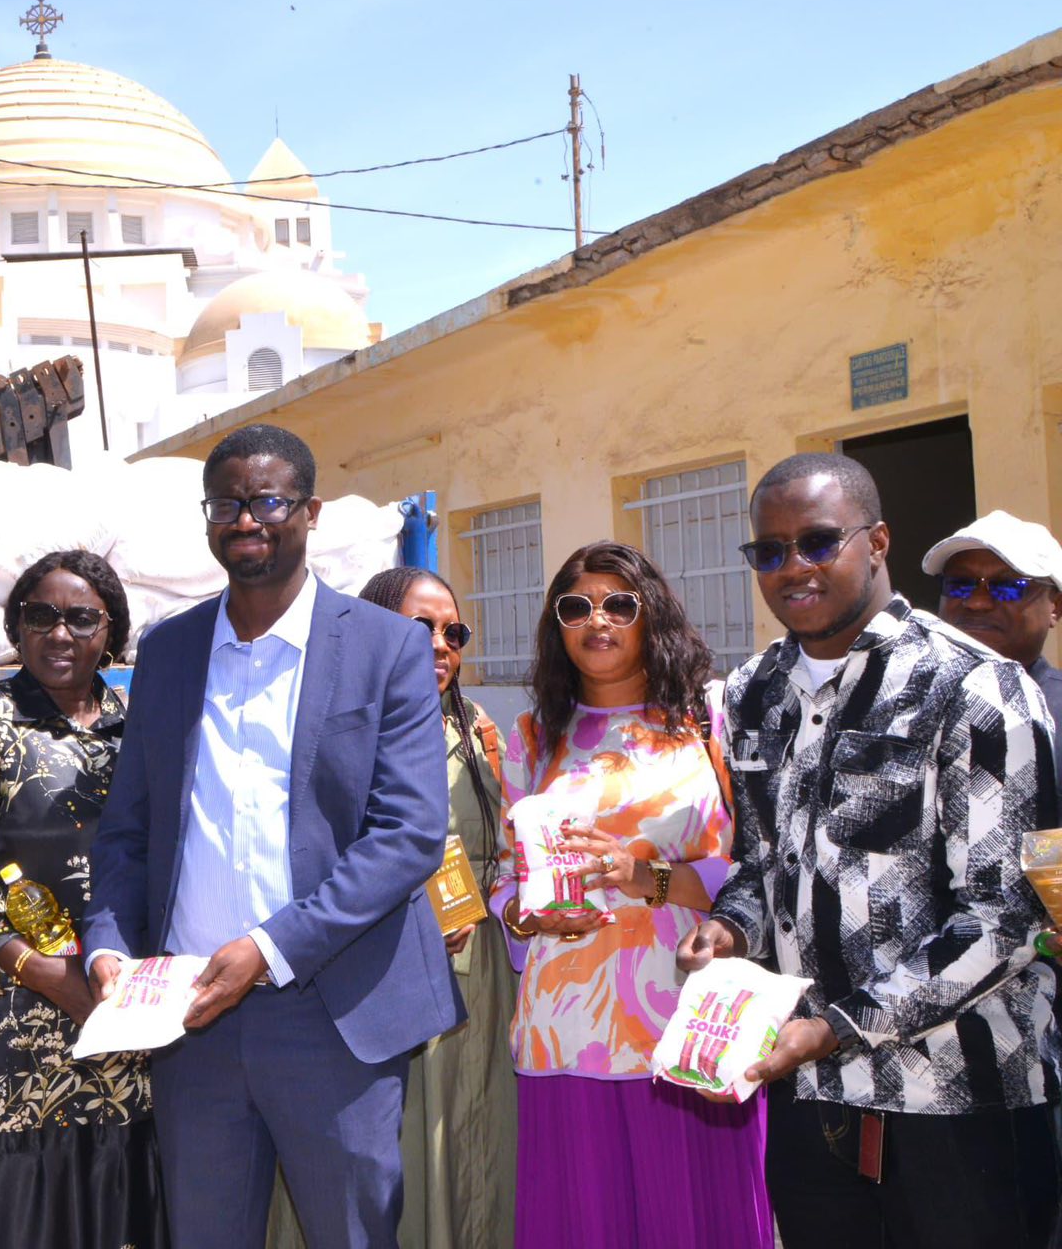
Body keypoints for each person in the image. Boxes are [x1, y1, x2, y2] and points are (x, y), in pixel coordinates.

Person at [85, 423, 460, 1249]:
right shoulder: (171, 650)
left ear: (310, 511)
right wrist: (107, 945)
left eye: (268, 501)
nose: (246, 520)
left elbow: (408, 834)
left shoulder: (386, 645)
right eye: (227, 504)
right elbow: (128, 831)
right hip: (191, 1020)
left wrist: (267, 946)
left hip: (331, 1014)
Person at [680, 452, 1059, 1249]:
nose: (794, 568)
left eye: (818, 541)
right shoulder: (753, 692)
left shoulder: (977, 688)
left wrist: (841, 1024)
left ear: (878, 540)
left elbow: (1008, 916)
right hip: (814, 1101)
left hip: (959, 1102)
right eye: (770, 551)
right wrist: (732, 929)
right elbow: (761, 862)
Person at [488, 541, 768, 1249]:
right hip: (566, 1025)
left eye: (619, 603)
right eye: (576, 607)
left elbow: (753, 866)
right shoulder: (529, 740)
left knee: (695, 1221)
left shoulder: (709, 721)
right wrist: (524, 913)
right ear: (558, 627)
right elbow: (501, 876)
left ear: (653, 616)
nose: (598, 620)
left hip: (689, 1021)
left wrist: (649, 879)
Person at [0, 549, 166, 1249]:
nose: (59, 634)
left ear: (111, 631)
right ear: (17, 627)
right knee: (19, 1204)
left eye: (81, 619)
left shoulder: (137, 724)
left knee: (120, 1181)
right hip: (12, 1009)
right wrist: (38, 970)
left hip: (119, 1003)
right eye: (41, 617)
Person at [359, 567, 516, 1249]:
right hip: (394, 967)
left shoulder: (477, 726)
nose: (440, 644)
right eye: (418, 626)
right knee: (417, 1143)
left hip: (482, 967)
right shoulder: (348, 728)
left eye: (453, 631)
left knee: (479, 1136)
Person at [924, 510, 1062, 736]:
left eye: (1008, 586)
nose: (977, 602)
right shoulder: (902, 706)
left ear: (1055, 607)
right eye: (960, 584)